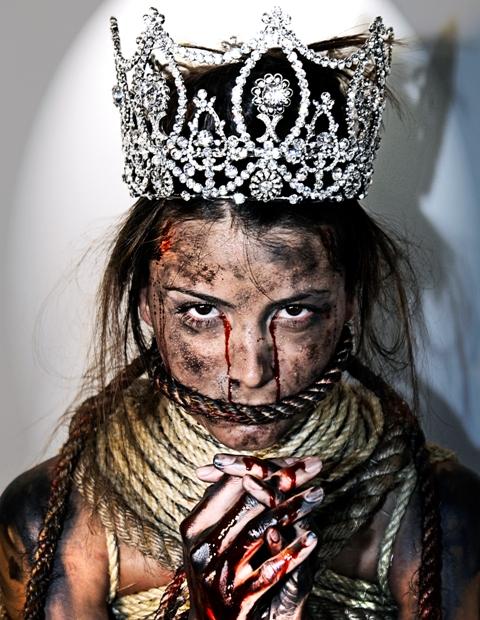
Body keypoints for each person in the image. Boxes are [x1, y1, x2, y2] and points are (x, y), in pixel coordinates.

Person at [0, 7, 479, 619]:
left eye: (295, 311)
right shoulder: (51, 517)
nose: (250, 371)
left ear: (350, 302)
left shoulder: (442, 516)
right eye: (201, 310)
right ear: (146, 303)